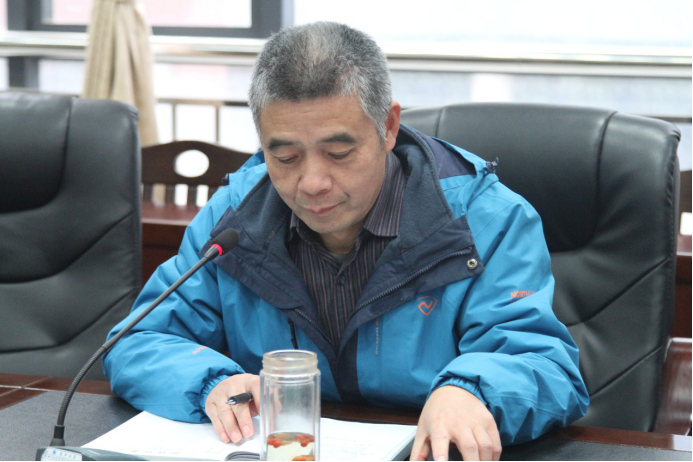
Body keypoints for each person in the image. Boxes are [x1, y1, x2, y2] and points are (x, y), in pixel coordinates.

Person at [104, 21, 589, 461]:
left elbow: (546, 367)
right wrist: (209, 381)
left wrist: (471, 390)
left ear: (388, 128)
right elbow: (138, 341)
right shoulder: (232, 219)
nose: (312, 183)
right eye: (286, 157)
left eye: (338, 152)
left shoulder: (485, 221)